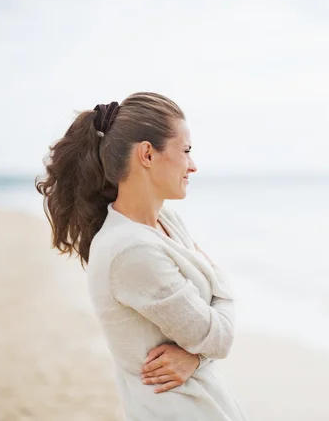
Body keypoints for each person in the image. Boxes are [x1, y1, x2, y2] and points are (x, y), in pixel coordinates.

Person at [35, 92, 248, 421]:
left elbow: (209, 339)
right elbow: (219, 338)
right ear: (147, 154)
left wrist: (196, 356)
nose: (193, 165)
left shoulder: (165, 222)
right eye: (186, 151)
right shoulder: (132, 251)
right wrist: (219, 288)